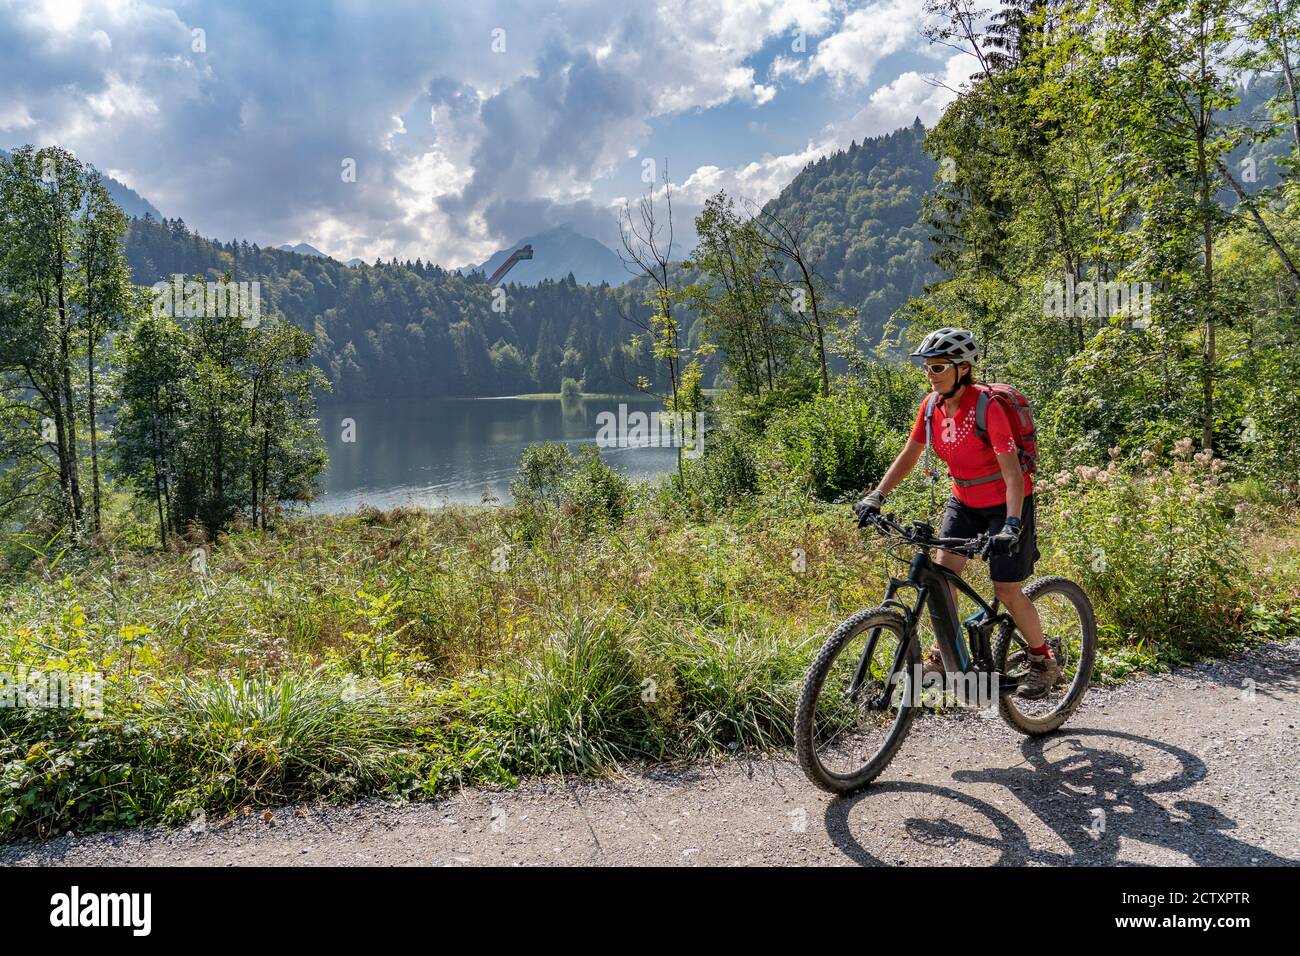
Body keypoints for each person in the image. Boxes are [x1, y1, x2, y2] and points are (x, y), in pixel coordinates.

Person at [853, 327, 1062, 699]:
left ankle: (1042, 659)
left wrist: (1012, 526)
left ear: (963, 368)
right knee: (942, 580)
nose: (929, 374)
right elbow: (910, 453)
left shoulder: (988, 407)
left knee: (1007, 589)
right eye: (927, 367)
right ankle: (941, 653)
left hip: (1007, 504)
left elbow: (1013, 474)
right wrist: (877, 495)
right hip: (963, 501)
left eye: (937, 367)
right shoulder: (931, 406)